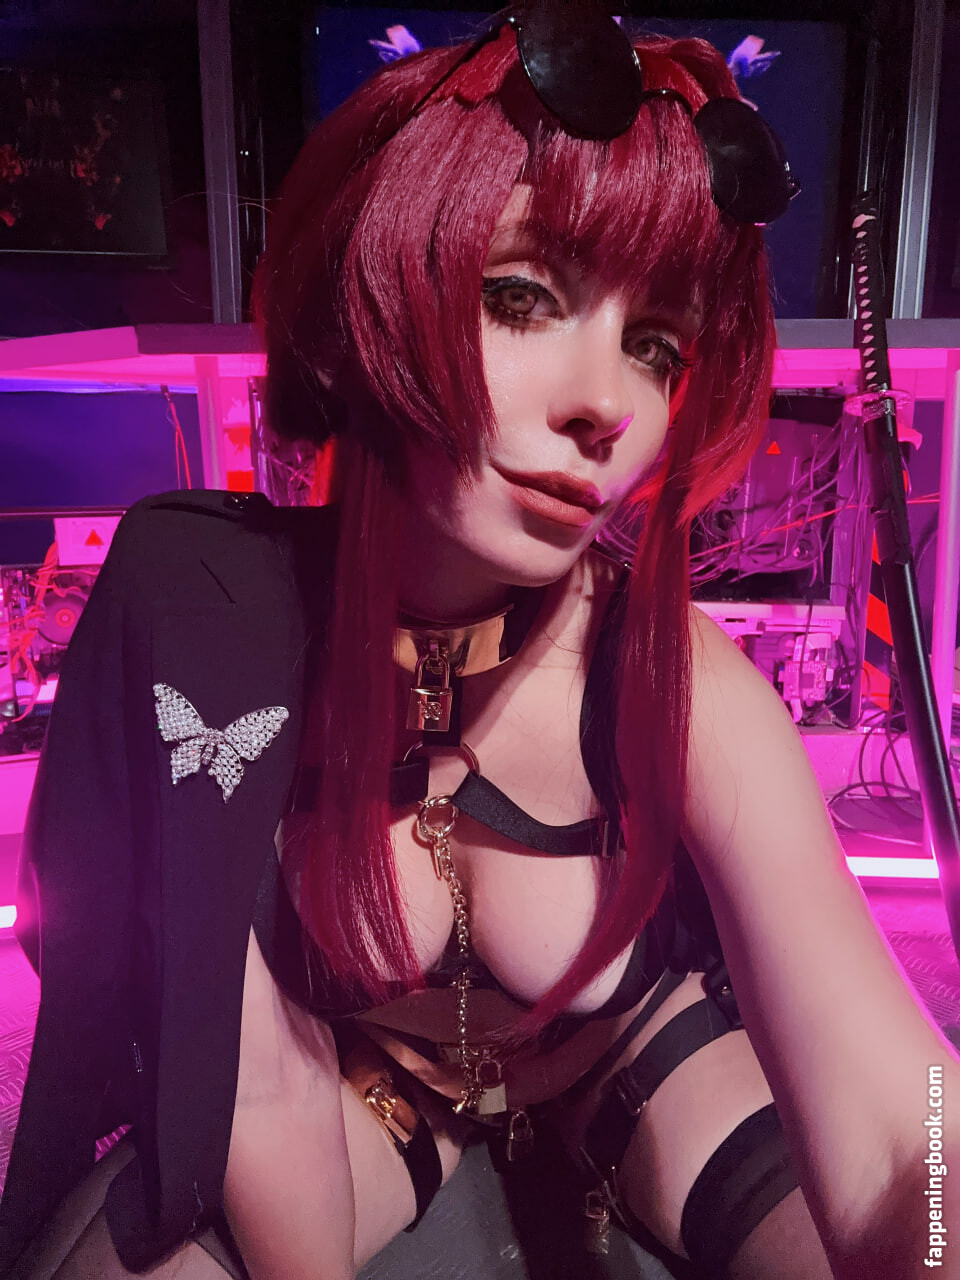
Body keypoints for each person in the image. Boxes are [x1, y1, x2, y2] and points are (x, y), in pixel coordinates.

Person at [1, 11, 957, 1280]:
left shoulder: (678, 679)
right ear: (368, 295)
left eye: (655, 346)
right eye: (521, 296)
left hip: (639, 1057)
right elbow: (258, 1081)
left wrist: (939, 1229)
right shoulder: (207, 629)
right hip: (376, 1083)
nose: (607, 403)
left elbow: (912, 1125)